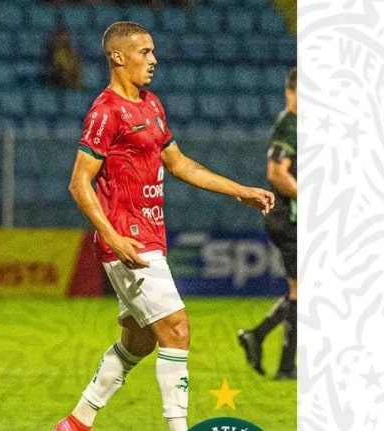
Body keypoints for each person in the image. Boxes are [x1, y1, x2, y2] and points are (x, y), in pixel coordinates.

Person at [55, 22, 275, 431]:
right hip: (130, 242)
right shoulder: (105, 112)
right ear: (118, 57)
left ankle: (76, 423)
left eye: (153, 52)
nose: (153, 60)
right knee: (177, 329)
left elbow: (179, 163)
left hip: (150, 236)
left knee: (138, 341)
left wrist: (238, 191)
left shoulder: (151, 104)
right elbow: (78, 181)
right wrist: (111, 235)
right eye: (144, 52)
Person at [237, 66, 298, 380]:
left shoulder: (291, 122)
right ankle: (286, 366)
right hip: (289, 218)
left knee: (299, 291)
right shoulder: (291, 125)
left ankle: (258, 338)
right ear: (292, 91)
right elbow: (277, 173)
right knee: (300, 291)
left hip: (286, 217)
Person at [40, 25, 83, 90]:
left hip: (71, 85)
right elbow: (49, 72)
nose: (63, 39)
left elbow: (77, 69)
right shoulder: (49, 54)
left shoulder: (72, 54)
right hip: (55, 84)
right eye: (60, 37)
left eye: (65, 37)